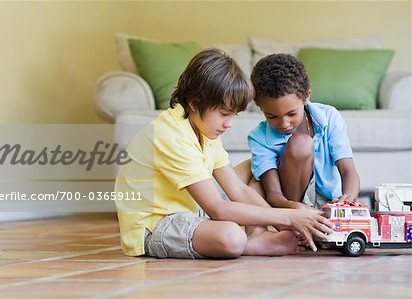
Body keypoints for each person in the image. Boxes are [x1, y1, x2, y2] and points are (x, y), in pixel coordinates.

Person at [114, 48, 333, 260]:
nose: (229, 124)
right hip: (155, 224)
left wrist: (281, 224)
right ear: (195, 103)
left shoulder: (204, 129)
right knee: (231, 236)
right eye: (224, 114)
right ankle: (250, 243)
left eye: (233, 115)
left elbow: (237, 189)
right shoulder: (170, 135)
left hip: (190, 208)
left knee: (253, 166)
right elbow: (217, 209)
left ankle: (259, 233)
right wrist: (290, 217)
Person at [248, 53, 361, 210]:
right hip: (289, 206)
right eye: (272, 116)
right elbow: (274, 194)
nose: (284, 123)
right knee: (301, 143)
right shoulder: (259, 137)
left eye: (292, 113)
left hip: (330, 203)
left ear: (306, 96)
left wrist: (348, 198)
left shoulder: (329, 118)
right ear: (261, 107)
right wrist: (294, 208)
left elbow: (349, 171)